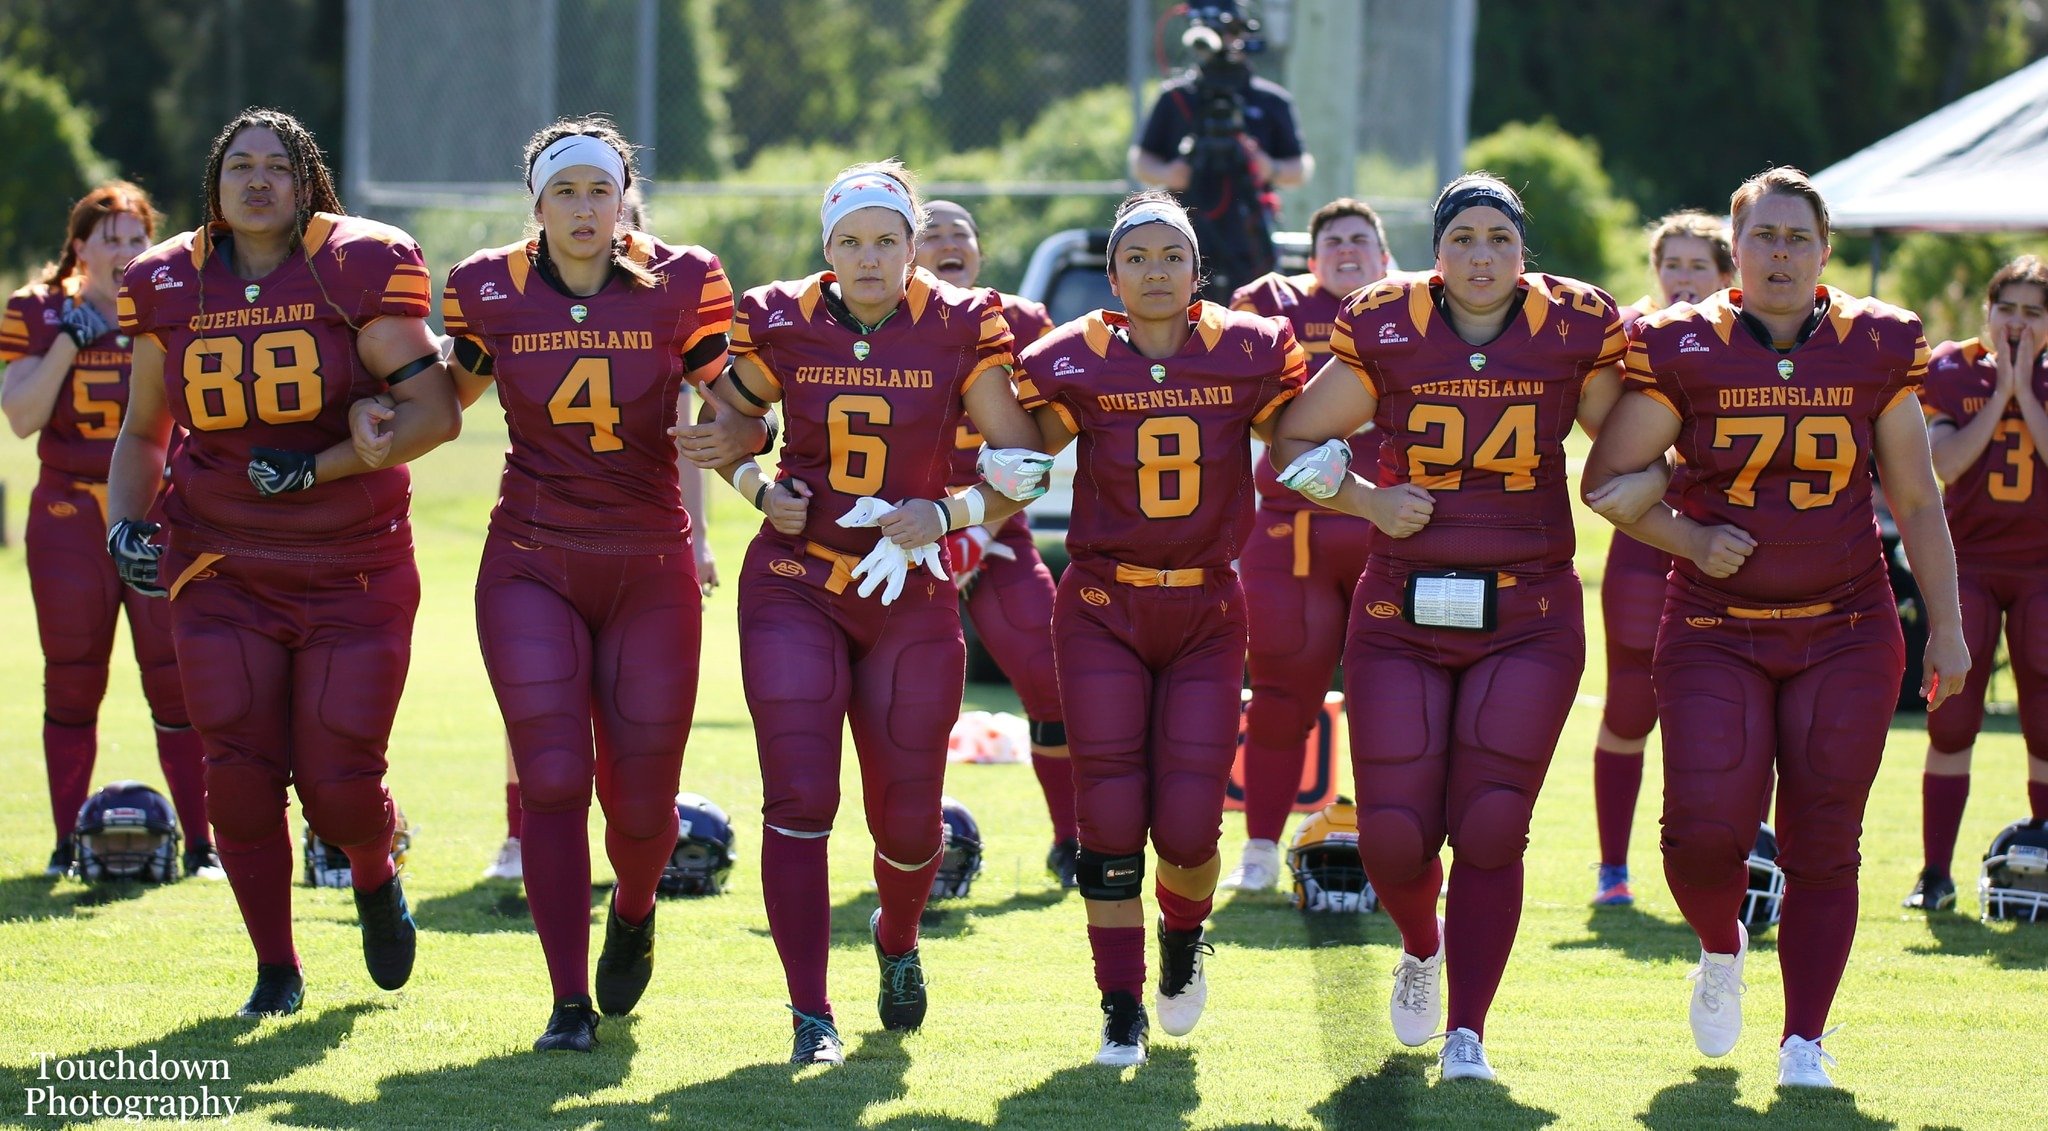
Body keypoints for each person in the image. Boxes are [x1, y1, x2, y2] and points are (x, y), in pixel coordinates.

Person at [1582, 166, 1967, 1088]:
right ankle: (1722, 945)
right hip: (1716, 624)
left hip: (1846, 624)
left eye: (1799, 238)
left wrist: (1946, 627)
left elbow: (1916, 498)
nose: (1782, 254)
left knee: (1825, 836)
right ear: (1735, 248)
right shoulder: (1684, 344)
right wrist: (1686, 532)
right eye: (1765, 236)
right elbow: (1605, 484)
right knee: (1702, 837)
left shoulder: (1875, 343)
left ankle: (1805, 1040)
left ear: (1825, 252)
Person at [1268, 174, 1639, 1081]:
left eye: (1500, 239)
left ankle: (1468, 1028)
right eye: (1464, 237)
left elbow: (1629, 448)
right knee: (1392, 834)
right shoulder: (1385, 321)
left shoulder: (1576, 327)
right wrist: (1363, 497)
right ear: (1437, 249)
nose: (1482, 255)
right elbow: (1287, 443)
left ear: (1524, 250)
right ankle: (1423, 947)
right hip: (1401, 606)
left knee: (1490, 822)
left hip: (1530, 607)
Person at [372, 117, 731, 1051]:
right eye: (564, 192)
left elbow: (735, 400)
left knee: (646, 800)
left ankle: (638, 908)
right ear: (536, 203)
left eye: (598, 191)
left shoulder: (683, 282)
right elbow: (451, 395)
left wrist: (755, 447)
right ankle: (569, 1000)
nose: (582, 208)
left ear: (623, 203)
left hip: (649, 560)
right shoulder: (488, 288)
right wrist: (368, 415)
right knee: (554, 776)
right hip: (531, 556)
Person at [105, 107, 462, 1018]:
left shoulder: (358, 267)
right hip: (220, 559)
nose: (256, 181)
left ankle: (375, 871)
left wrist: (327, 461)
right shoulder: (168, 282)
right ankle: (275, 966)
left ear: (307, 182)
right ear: (214, 186)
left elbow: (435, 415)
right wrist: (123, 522)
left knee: (340, 778)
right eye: (239, 167)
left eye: (277, 166)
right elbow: (145, 429)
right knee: (238, 770)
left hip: (353, 562)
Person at [698, 160, 1045, 1067]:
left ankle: (896, 938)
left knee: (907, 817)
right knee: (800, 797)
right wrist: (753, 484)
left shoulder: (964, 324)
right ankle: (811, 1013)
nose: (869, 257)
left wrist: (951, 511)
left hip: (910, 584)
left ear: (911, 243)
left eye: (887, 239)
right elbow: (719, 427)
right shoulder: (781, 316)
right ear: (827, 249)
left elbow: (1025, 463)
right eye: (850, 241)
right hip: (796, 579)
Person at [1010, 190, 1308, 1066]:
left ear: (1196, 270)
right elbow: (1021, 455)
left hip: (1209, 609)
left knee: (1187, 825)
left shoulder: (1250, 349)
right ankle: (1119, 1006)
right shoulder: (1074, 358)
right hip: (1103, 605)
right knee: (1106, 812)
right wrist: (951, 508)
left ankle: (1181, 939)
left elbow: (1299, 441)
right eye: (1136, 257)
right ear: (1111, 275)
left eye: (1170, 255)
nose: (1154, 271)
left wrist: (1365, 490)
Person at [479, 182, 720, 886]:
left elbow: (691, 437)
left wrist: (699, 536)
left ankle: (624, 846)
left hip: (638, 536)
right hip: (541, 527)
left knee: (631, 715)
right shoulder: (523, 297)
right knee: (538, 699)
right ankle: (524, 830)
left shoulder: (666, 305)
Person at [1, 182, 219, 880]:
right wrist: (69, 338)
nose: (126, 251)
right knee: (71, 677)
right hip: (68, 511)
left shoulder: (174, 303)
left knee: (176, 680)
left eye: (136, 237)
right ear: (80, 245)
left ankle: (202, 843)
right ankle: (66, 842)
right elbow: (23, 415)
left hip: (160, 510)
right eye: (111, 238)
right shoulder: (36, 311)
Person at [1223, 197, 1391, 891]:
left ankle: (1397, 850)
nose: (1347, 250)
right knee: (1280, 694)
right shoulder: (1276, 306)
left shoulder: (1413, 310)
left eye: (1360, 239)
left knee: (1394, 702)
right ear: (1313, 258)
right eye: (1334, 241)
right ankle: (1260, 848)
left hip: (1390, 530)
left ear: (1385, 256)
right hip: (1294, 532)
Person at [913, 199, 1080, 886]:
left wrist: (980, 527)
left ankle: (1071, 838)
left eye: (962, 234)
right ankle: (910, 839)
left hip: (998, 526)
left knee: (1049, 676)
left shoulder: (1021, 321)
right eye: (934, 234)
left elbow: (1037, 444)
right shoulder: (883, 319)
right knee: (910, 697)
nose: (950, 244)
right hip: (904, 532)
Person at [1585, 210, 1736, 907]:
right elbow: (1617, 464)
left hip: (1732, 544)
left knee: (1733, 708)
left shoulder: (1748, 335)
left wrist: (1661, 472)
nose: (1680, 277)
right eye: (1670, 264)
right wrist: (1661, 475)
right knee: (1628, 704)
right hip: (1647, 545)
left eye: (1696, 266)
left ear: (1724, 275)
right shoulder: (1631, 336)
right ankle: (1613, 867)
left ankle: (1743, 855)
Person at [1908, 254, 2048, 912]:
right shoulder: (1953, 366)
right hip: (1966, 562)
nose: (2018, 323)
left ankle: (2041, 849)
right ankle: (1935, 872)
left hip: (2042, 567)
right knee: (1953, 718)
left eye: (2034, 312)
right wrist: (2003, 393)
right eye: (2009, 309)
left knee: (2045, 720)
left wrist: (2026, 386)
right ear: (1988, 312)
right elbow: (1947, 463)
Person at [1130, 1, 1310, 302]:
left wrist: (1268, 168)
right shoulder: (1175, 97)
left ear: (1241, 32)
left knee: (1256, 305)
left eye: (1226, 30)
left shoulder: (1271, 100)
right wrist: (1169, 174)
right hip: (1185, 226)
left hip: (1249, 228)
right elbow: (1141, 159)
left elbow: (1300, 167)